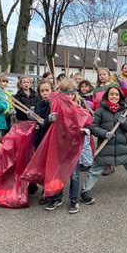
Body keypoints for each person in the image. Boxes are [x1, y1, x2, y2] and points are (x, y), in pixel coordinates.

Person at [80, 86, 127, 205]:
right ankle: (85, 191)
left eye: (117, 95)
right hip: (105, 146)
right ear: (107, 96)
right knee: (95, 170)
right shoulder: (100, 111)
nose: (114, 96)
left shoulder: (124, 111)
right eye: (112, 94)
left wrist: (124, 122)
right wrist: (104, 133)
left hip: (122, 146)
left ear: (120, 97)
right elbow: (93, 127)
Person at [43, 79, 92, 214]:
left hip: (74, 146)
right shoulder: (54, 105)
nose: (69, 97)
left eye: (71, 93)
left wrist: (87, 130)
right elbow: (46, 124)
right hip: (59, 144)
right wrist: (49, 120)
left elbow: (88, 121)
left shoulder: (80, 104)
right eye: (66, 94)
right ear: (61, 94)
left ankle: (73, 200)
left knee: (74, 175)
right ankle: (56, 198)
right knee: (58, 172)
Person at [92, 68, 127, 176]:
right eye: (99, 74)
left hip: (114, 114)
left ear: (109, 75)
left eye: (104, 74)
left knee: (114, 139)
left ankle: (111, 164)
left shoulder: (114, 85)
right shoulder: (96, 89)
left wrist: (122, 82)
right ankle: (105, 162)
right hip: (102, 116)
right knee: (103, 139)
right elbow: (94, 102)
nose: (101, 76)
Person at [30, 80, 55, 199]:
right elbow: (38, 123)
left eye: (47, 90)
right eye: (42, 91)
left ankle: (51, 189)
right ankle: (45, 187)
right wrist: (33, 118)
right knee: (42, 164)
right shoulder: (39, 104)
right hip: (41, 138)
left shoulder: (55, 103)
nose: (45, 93)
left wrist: (49, 120)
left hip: (52, 138)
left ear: (52, 90)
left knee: (52, 164)